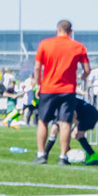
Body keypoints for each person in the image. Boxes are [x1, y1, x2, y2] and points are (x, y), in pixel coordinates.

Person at [33, 20, 90, 165]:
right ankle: (63, 156)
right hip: (68, 90)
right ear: (71, 32)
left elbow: (37, 67)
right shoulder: (78, 47)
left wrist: (38, 84)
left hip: (48, 88)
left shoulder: (45, 44)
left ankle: (41, 154)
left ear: (57, 29)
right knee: (65, 123)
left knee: (43, 121)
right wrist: (81, 78)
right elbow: (87, 69)